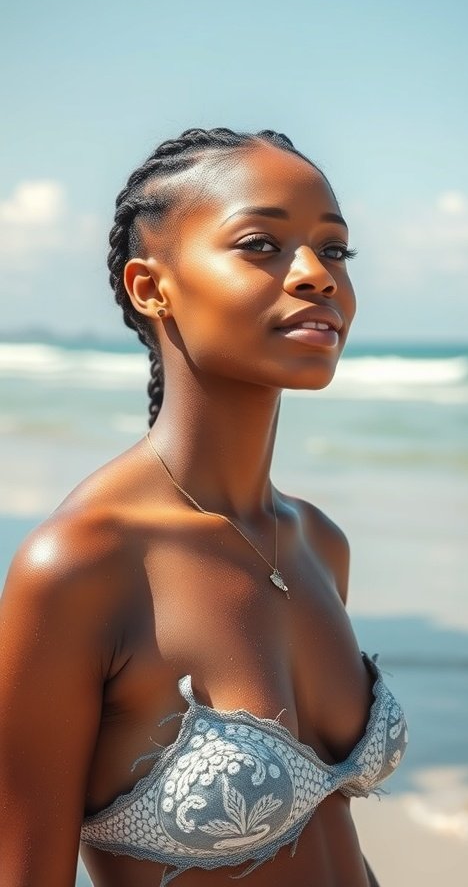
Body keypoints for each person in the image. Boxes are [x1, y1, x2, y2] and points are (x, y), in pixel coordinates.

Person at [0, 128, 407, 887]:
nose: (317, 275)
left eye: (335, 249)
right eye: (261, 245)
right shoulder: (83, 565)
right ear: (151, 287)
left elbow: (327, 827)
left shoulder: (316, 541)